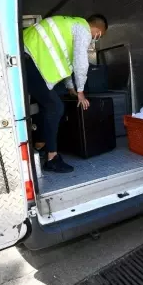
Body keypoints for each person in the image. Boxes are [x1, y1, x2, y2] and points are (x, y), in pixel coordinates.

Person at [23, 14, 108, 173]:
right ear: (97, 31)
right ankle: (52, 158)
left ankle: (40, 143)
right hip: (29, 61)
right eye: (99, 36)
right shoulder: (83, 30)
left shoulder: (70, 26)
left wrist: (70, 87)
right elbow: (80, 62)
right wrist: (81, 91)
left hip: (27, 58)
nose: (95, 39)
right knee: (56, 107)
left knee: (47, 105)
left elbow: (66, 62)